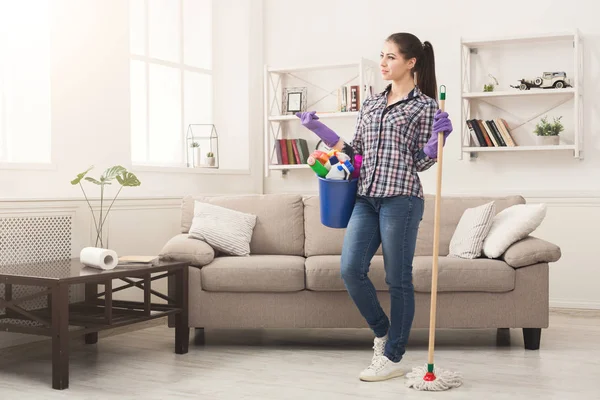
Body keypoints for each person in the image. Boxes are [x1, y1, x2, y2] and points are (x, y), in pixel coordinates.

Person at [296, 32, 453, 382]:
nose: (382, 63)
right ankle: (383, 332)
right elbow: (355, 152)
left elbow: (421, 162)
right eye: (381, 56)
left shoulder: (427, 107)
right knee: (351, 269)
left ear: (411, 62)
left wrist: (434, 146)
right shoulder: (370, 103)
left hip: (402, 198)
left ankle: (394, 356)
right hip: (365, 197)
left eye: (390, 57)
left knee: (399, 279)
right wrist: (319, 128)